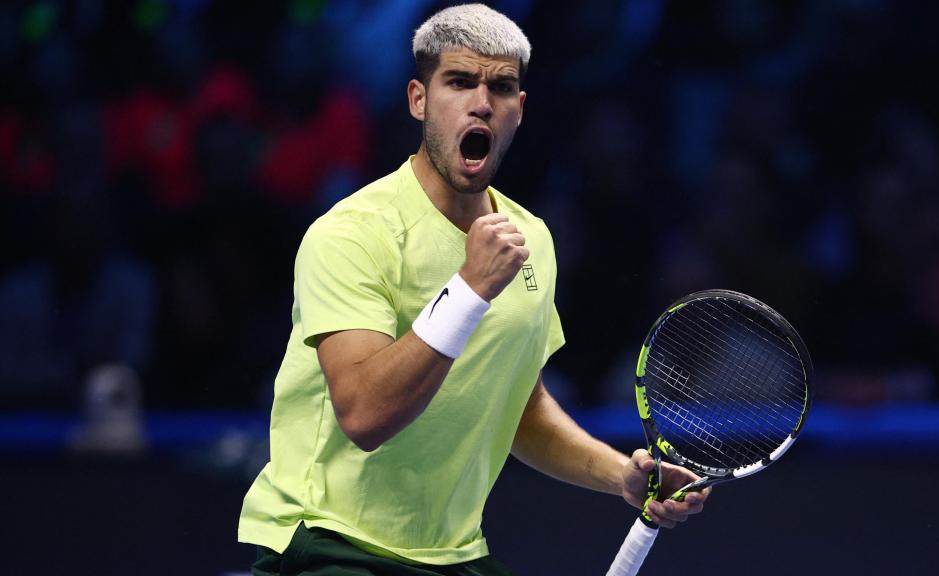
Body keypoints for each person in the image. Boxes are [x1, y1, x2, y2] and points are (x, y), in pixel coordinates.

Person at [238, 5, 709, 574]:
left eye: (502, 87)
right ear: (419, 100)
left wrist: (622, 478)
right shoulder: (351, 233)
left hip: (455, 553)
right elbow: (363, 416)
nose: (481, 102)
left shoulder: (530, 238)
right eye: (459, 82)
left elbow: (522, 408)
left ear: (519, 111)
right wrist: (469, 288)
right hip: (328, 543)